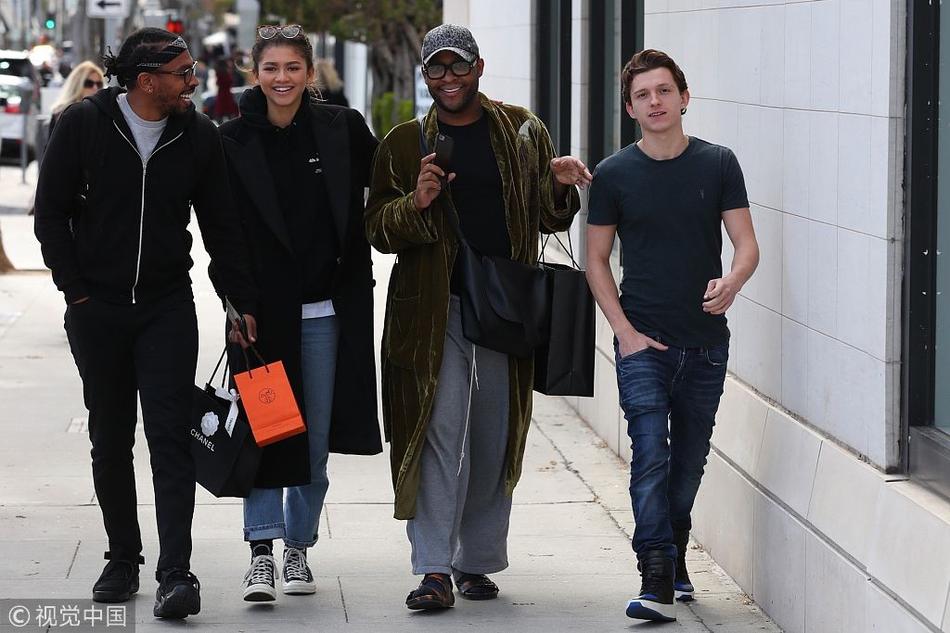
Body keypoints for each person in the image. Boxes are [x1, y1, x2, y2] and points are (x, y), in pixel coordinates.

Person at [33, 27, 258, 619]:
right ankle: (123, 557)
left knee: (170, 438)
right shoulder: (83, 125)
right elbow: (49, 214)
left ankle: (176, 572)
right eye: (183, 74)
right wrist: (76, 292)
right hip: (98, 310)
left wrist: (238, 300)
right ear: (145, 80)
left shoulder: (198, 135)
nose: (193, 83)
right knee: (110, 436)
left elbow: (221, 225)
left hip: (166, 306)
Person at [365, 23, 591, 610]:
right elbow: (377, 230)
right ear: (424, 74)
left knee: (494, 433)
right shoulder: (403, 143)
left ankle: (477, 560)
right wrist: (416, 202)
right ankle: (434, 568)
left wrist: (558, 187)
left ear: (479, 68)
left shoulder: (522, 131)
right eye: (436, 68)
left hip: (505, 304)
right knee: (438, 431)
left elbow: (550, 218)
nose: (448, 78)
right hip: (431, 309)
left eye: (458, 65)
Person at [585, 49, 760, 623]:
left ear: (684, 98)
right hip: (643, 343)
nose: (654, 102)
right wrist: (624, 332)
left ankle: (674, 546)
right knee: (650, 457)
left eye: (664, 91)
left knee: (686, 466)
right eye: (643, 95)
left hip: (705, 344)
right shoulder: (613, 174)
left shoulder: (718, 164)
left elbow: (746, 244)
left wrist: (732, 282)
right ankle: (656, 575)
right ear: (630, 108)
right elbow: (595, 259)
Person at [216, 23, 382, 603]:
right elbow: (223, 234)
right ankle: (260, 551)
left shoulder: (342, 129)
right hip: (261, 319)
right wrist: (236, 304)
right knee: (266, 432)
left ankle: (298, 547)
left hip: (328, 313)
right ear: (254, 73)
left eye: (292, 67)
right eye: (271, 68)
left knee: (312, 441)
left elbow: (387, 185)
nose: (281, 78)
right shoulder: (231, 140)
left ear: (310, 73)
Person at [47, 61, 104, 133]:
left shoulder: (104, 113)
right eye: (89, 83)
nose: (95, 88)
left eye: (99, 84)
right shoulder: (62, 113)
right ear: (77, 85)